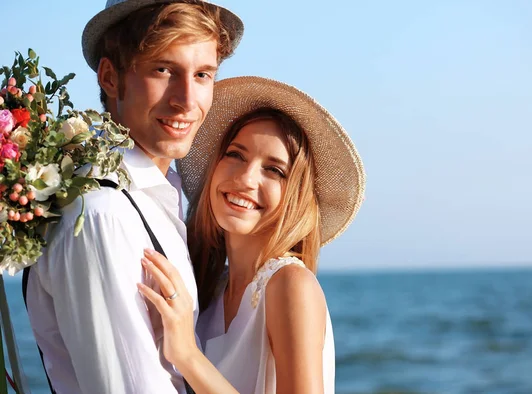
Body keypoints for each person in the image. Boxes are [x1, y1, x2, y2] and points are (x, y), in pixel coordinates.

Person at [23, 1, 243, 393]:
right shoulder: (101, 213)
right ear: (110, 77)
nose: (187, 100)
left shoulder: (154, 194)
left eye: (203, 74)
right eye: (164, 70)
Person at [137, 76, 366, 393]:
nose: (245, 178)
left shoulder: (290, 286)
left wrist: (188, 355)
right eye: (235, 155)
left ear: (296, 196)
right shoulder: (210, 290)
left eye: (274, 170)